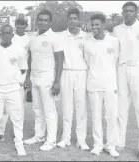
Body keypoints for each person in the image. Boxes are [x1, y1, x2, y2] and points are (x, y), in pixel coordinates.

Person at [113, 2, 139, 161]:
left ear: (136, 12)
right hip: (121, 69)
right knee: (121, 109)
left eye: (131, 11)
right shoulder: (117, 29)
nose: (128, 13)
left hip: (137, 68)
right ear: (122, 13)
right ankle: (118, 143)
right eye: (125, 11)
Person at [23, 9, 64, 151]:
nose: (42, 22)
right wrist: (28, 76)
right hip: (34, 76)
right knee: (37, 109)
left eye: (45, 20)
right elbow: (30, 58)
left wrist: (57, 81)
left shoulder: (54, 38)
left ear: (50, 22)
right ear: (37, 21)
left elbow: (60, 61)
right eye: (40, 19)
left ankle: (51, 140)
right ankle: (39, 135)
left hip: (48, 77)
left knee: (49, 109)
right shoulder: (33, 37)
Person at [0, 24, 27, 156]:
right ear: (0, 34)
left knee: (17, 118)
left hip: (13, 89)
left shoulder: (19, 50)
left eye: (9, 33)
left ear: (12, 35)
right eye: (3, 33)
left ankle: (19, 143)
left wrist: (17, 82)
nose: (6, 35)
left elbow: (23, 68)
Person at [82, 13, 120, 157]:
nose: (94, 27)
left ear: (104, 25)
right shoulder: (87, 42)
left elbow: (115, 61)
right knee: (96, 116)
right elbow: (87, 62)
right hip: (93, 84)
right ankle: (97, 144)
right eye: (93, 25)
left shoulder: (114, 41)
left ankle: (110, 145)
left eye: (97, 24)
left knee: (111, 115)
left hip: (110, 84)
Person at [56, 8, 90, 151]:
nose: (72, 21)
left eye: (75, 18)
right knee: (67, 107)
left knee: (80, 107)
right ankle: (66, 138)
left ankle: (81, 140)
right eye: (70, 18)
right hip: (66, 73)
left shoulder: (86, 36)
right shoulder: (61, 36)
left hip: (81, 73)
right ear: (67, 20)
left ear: (78, 20)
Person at [0, 14, 30, 141]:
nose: (20, 26)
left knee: (19, 106)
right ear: (15, 25)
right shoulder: (10, 37)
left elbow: (29, 59)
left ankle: (18, 132)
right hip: (7, 74)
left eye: (23, 24)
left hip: (21, 74)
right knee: (5, 106)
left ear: (26, 26)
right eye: (18, 23)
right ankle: (0, 131)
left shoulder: (29, 39)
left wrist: (27, 77)